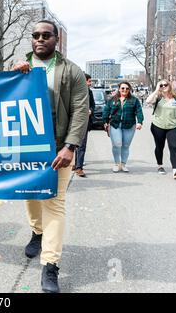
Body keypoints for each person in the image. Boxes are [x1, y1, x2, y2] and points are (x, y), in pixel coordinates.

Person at [13, 20, 89, 293]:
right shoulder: (19, 68)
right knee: (30, 195)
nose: (40, 39)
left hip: (58, 149)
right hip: (25, 149)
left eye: (46, 35)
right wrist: (13, 76)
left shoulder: (72, 72)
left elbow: (81, 110)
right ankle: (37, 232)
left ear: (57, 39)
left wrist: (70, 146)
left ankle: (50, 266)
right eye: (35, 35)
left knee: (54, 204)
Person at [146, 80, 176, 179]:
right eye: (161, 85)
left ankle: (175, 171)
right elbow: (148, 101)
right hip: (158, 126)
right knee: (159, 147)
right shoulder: (157, 97)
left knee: (174, 147)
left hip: (173, 127)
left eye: (165, 84)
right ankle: (160, 165)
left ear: (169, 86)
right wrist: (157, 89)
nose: (164, 86)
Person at [103, 82, 144, 173]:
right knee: (117, 144)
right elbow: (106, 110)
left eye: (127, 88)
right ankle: (117, 164)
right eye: (122, 88)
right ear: (119, 89)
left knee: (125, 145)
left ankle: (123, 164)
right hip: (115, 125)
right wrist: (105, 121)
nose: (124, 90)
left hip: (129, 125)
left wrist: (140, 122)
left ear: (129, 90)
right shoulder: (113, 99)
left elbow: (139, 111)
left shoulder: (134, 100)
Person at [72, 73, 95, 177]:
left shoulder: (89, 92)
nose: (90, 83)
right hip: (74, 121)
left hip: (85, 121)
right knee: (75, 144)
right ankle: (76, 165)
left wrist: (91, 110)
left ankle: (78, 167)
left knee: (82, 145)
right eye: (89, 81)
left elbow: (93, 105)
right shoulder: (73, 90)